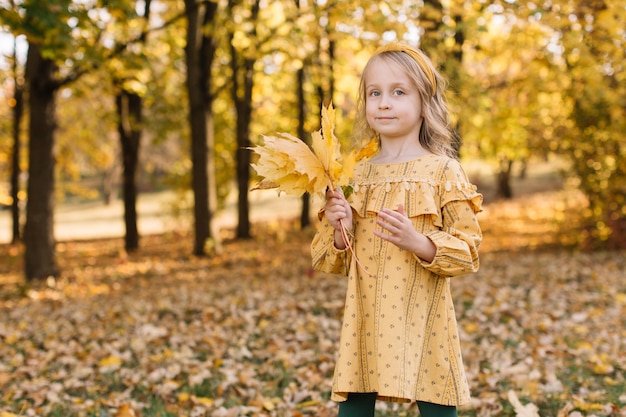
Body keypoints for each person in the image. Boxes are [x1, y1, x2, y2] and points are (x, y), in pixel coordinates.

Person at [311, 42, 483, 417]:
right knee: (356, 398)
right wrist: (340, 225)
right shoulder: (357, 174)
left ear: (425, 102)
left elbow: (469, 251)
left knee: (436, 395)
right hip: (367, 311)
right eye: (375, 93)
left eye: (398, 92)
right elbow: (335, 258)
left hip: (424, 311)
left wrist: (418, 241)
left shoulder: (442, 172)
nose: (384, 103)